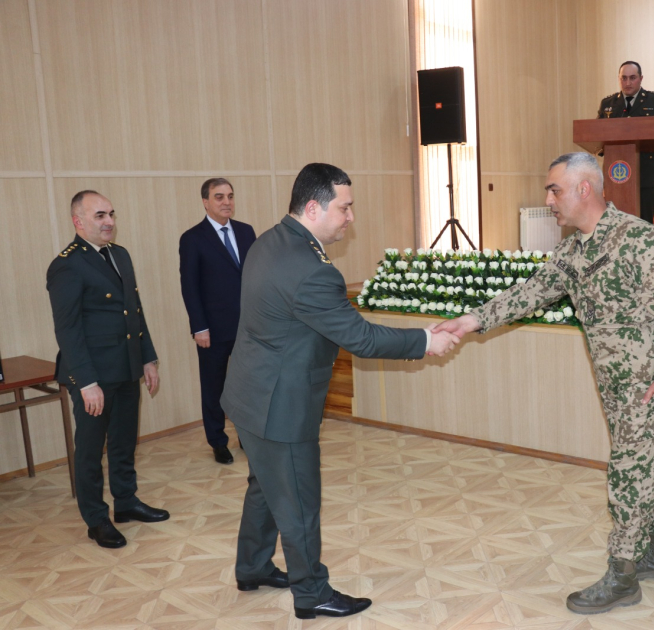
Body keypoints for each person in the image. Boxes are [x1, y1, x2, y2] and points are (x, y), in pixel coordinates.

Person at [434, 152, 654, 614]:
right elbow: (528, 293)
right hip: (614, 386)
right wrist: (471, 320)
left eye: (554, 189)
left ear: (584, 189)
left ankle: (623, 573)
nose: (548, 199)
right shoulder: (574, 251)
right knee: (647, 462)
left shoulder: (639, 239)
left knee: (629, 471)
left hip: (647, 385)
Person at [221, 163, 459, 620]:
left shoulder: (269, 240)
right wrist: (426, 340)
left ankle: (251, 566)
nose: (350, 217)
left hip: (248, 394)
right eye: (344, 207)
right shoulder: (312, 271)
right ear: (314, 207)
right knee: (299, 503)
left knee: (265, 488)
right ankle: (311, 592)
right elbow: (362, 338)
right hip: (280, 407)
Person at [46, 191, 169, 549]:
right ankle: (96, 519)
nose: (109, 222)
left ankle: (126, 502)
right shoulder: (67, 265)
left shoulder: (120, 255)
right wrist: (86, 382)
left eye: (111, 214)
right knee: (89, 450)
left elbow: (135, 310)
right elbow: (67, 329)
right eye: (99, 215)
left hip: (126, 367)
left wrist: (147, 358)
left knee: (124, 442)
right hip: (93, 375)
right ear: (78, 221)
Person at [179, 178, 256, 464]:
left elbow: (256, 277)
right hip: (212, 329)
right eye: (219, 197)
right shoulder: (193, 238)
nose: (227, 202)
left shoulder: (247, 232)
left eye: (230, 196)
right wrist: (199, 327)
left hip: (248, 327)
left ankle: (247, 435)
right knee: (214, 386)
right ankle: (217, 440)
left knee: (247, 384)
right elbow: (190, 286)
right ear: (206, 202)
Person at [597, 61, 654, 223]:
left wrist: (651, 142)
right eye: (623, 78)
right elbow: (598, 135)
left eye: (632, 78)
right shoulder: (608, 104)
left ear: (641, 79)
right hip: (615, 175)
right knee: (616, 224)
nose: (627, 83)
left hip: (645, 174)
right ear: (619, 79)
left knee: (644, 223)